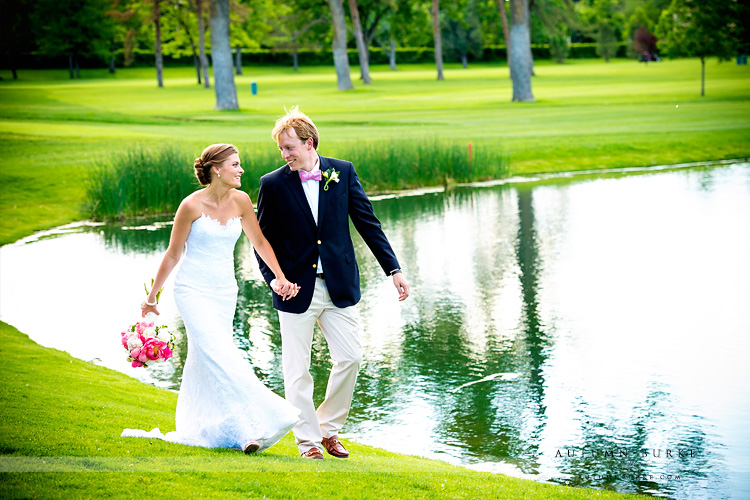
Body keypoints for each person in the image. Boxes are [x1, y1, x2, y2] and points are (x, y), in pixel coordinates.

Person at [121, 144, 301, 453]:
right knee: (221, 354)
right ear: (217, 169)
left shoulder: (242, 201)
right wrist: (152, 297)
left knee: (208, 359)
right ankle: (250, 429)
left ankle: (208, 427)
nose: (241, 169)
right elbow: (173, 254)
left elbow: (259, 241)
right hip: (192, 291)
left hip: (224, 292)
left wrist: (279, 278)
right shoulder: (190, 206)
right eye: (235, 164)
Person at [255, 107, 410, 460]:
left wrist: (393, 270)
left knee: (351, 358)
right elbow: (261, 241)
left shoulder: (342, 172)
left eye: (289, 147)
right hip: (294, 290)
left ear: (310, 143)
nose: (284, 154)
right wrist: (274, 281)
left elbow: (368, 224)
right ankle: (308, 443)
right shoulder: (273, 184)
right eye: (281, 149)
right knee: (297, 372)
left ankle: (328, 429)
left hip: (338, 286)